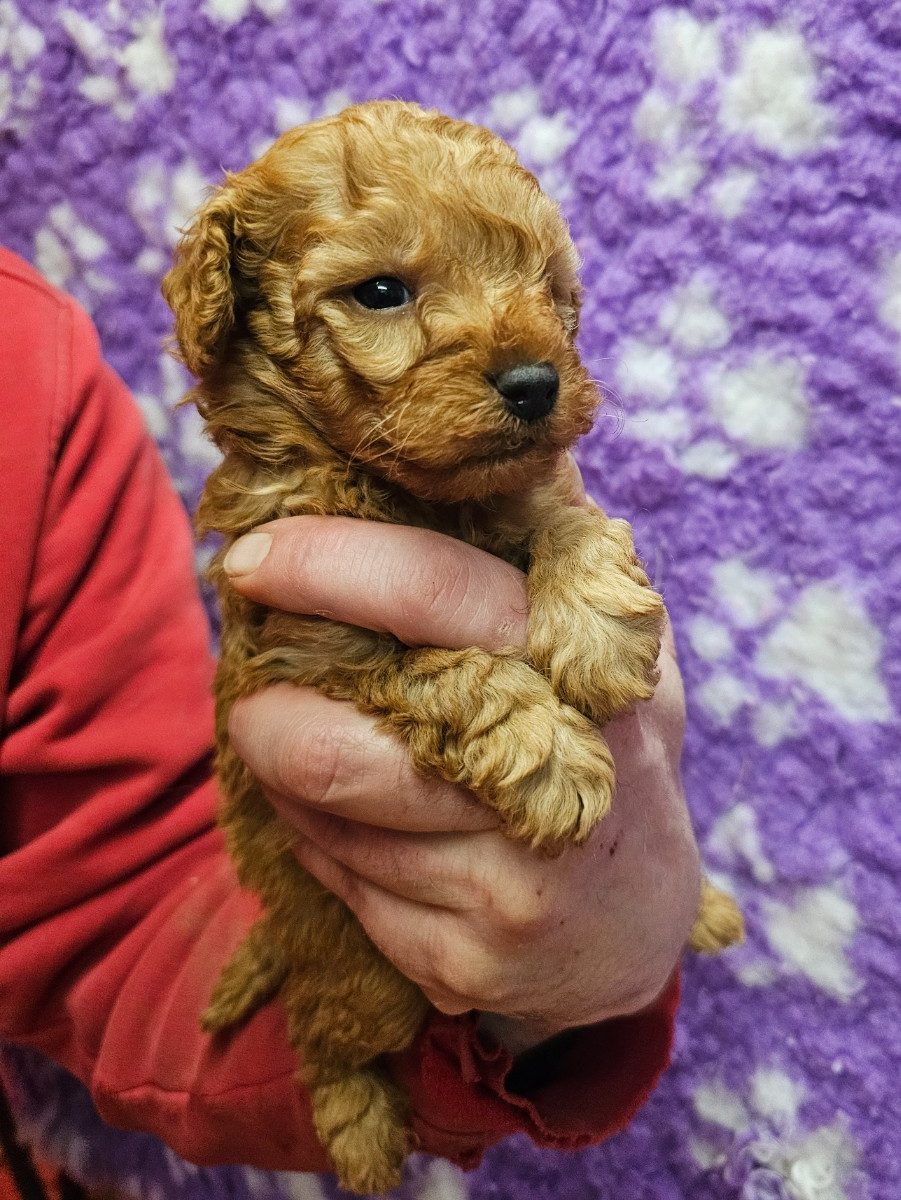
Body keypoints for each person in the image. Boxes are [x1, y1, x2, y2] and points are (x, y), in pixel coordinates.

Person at [0, 245, 703, 1180]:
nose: (527, 352)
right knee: (349, 979)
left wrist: (598, 949)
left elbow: (120, 889)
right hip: (312, 921)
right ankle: (344, 1073)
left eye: (548, 290)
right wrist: (492, 718)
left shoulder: (29, 360)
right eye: (381, 295)